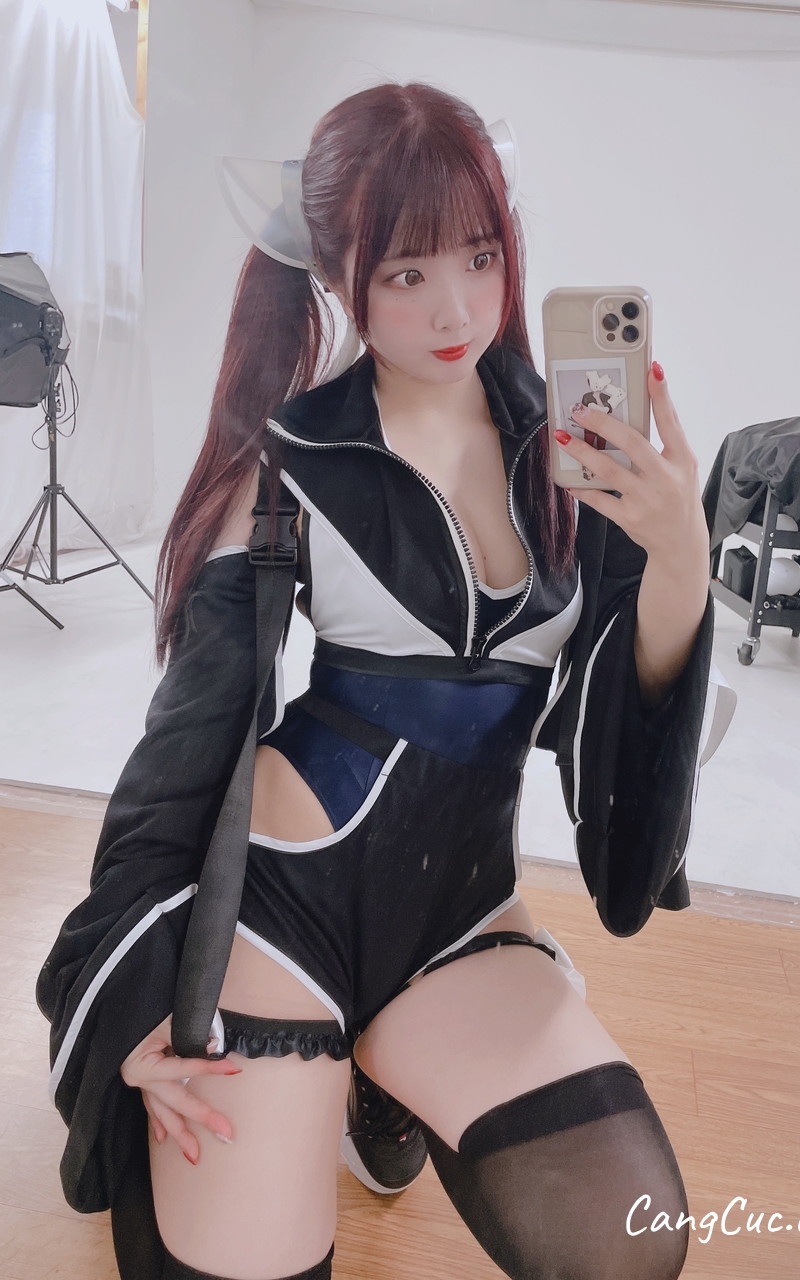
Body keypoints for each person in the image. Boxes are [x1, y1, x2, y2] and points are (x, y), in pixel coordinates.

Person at [37, 82, 719, 1280]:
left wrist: (683, 558)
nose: (455, 306)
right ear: (337, 271)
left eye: (479, 255)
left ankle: (379, 1081)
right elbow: (185, 749)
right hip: (281, 914)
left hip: (462, 912)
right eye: (405, 272)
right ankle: (336, 1079)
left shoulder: (575, 450)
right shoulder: (291, 460)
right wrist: (127, 995)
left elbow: (622, 703)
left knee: (631, 1242)